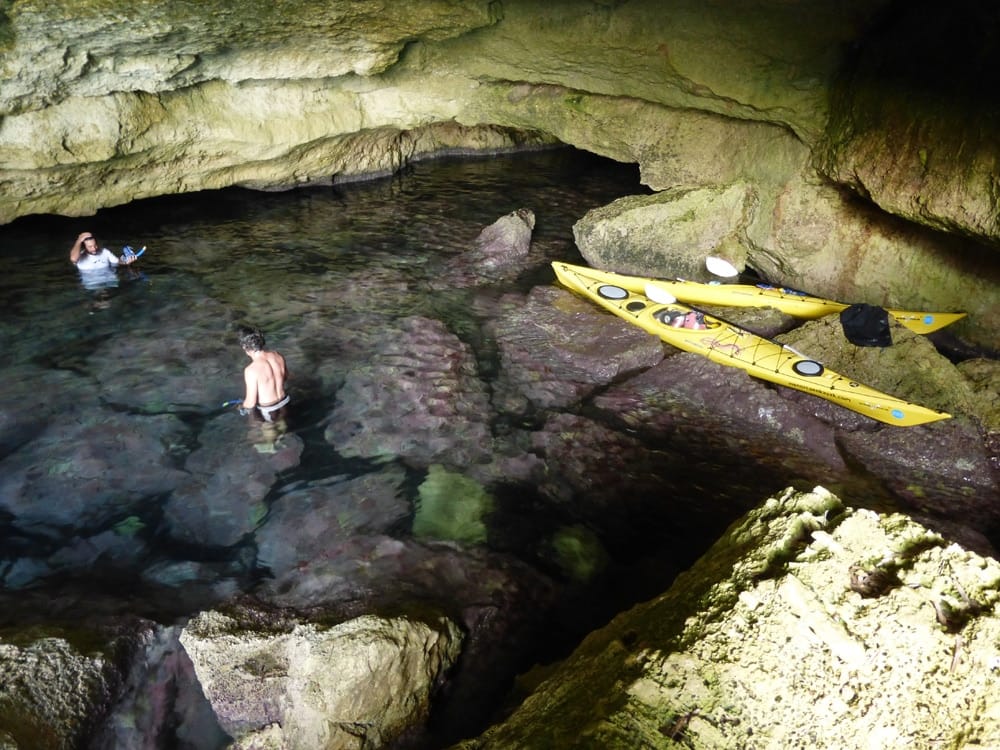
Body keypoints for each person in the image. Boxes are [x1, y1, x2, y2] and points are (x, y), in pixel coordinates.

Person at [238, 326, 289, 422]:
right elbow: (285, 377)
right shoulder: (277, 356)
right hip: (285, 402)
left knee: (267, 434)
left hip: (269, 410)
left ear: (244, 347)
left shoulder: (251, 370)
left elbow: (251, 402)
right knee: (282, 427)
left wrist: (241, 407)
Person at [69, 231, 137, 270]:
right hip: (92, 286)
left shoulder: (105, 252)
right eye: (90, 247)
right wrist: (79, 240)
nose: (94, 248)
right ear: (84, 247)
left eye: (95, 245)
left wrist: (128, 262)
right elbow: (73, 258)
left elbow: (118, 262)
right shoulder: (80, 256)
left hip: (111, 284)